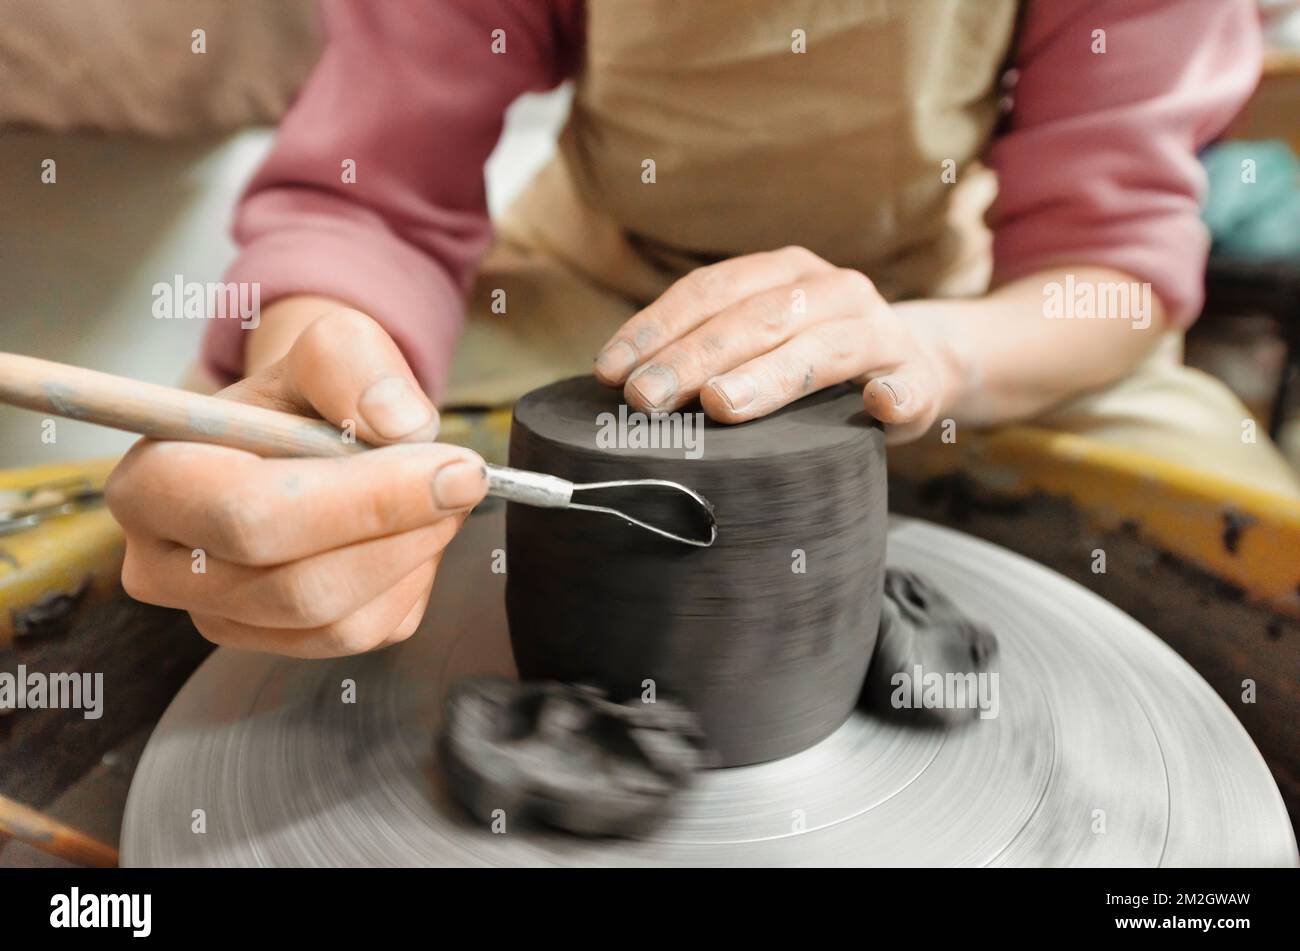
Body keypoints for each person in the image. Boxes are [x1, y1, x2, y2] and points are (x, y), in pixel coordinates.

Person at [106, 0, 1299, 658]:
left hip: (944, 307)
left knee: (1233, 545)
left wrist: (940, 352)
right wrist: (326, 356)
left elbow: (1110, 265)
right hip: (598, 294)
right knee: (273, 510)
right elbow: (372, 194)